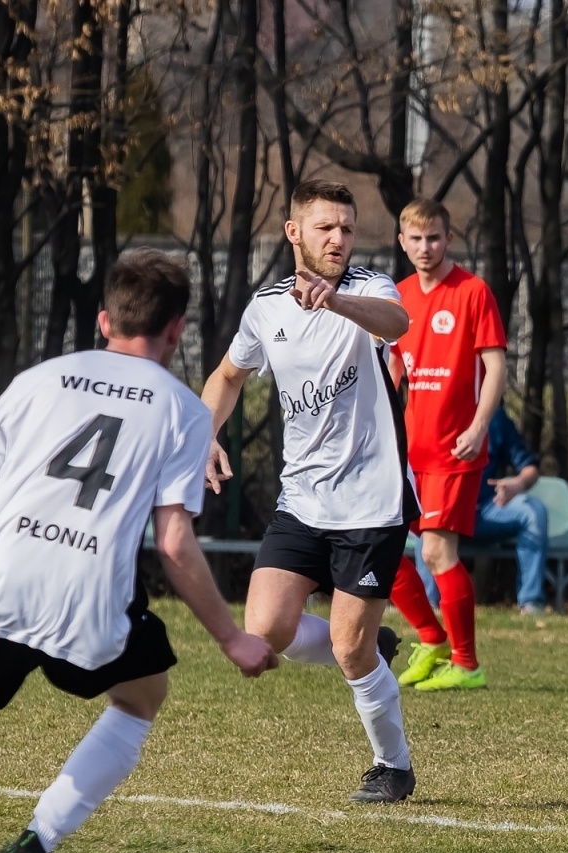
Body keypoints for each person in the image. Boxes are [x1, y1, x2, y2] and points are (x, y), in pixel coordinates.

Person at [0, 250, 278, 853]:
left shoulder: (38, 379)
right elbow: (174, 540)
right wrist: (232, 639)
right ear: (178, 330)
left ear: (102, 320)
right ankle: (35, 843)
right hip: (89, 599)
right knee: (140, 697)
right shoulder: (181, 410)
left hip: (6, 578)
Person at [201, 179, 420, 804]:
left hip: (372, 503)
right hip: (301, 498)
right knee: (265, 627)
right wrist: (203, 435)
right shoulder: (266, 308)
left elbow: (398, 322)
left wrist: (337, 305)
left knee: (349, 652)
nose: (338, 239)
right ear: (294, 232)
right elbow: (227, 375)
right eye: (325, 227)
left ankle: (393, 765)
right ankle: (367, 646)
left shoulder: (369, 289)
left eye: (347, 229)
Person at [385, 198, 509, 691]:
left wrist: (480, 426)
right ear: (402, 242)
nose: (424, 247)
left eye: (433, 237)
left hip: (455, 449)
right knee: (384, 547)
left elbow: (496, 366)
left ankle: (466, 663)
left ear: (448, 238)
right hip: (410, 452)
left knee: (436, 552)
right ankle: (432, 640)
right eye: (415, 239)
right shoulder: (398, 296)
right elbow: (393, 369)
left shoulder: (473, 292)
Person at [413, 408, 549, 616]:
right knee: (429, 522)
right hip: (445, 510)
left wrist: (518, 484)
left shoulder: (495, 419)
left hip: (487, 510)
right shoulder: (432, 411)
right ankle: (428, 606)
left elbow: (530, 468)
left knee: (533, 512)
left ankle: (531, 603)